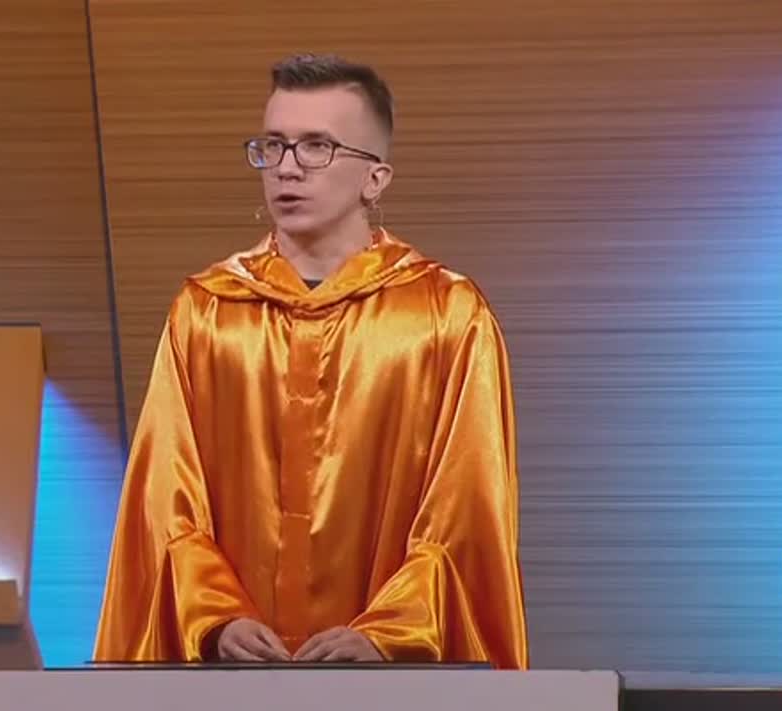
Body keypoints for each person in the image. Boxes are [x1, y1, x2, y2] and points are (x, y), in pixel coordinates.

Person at [93, 53, 527, 668]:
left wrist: (388, 632)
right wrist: (216, 616)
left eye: (317, 147)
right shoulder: (208, 312)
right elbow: (164, 502)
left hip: (391, 684)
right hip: (233, 679)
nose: (287, 167)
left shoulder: (445, 317)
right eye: (273, 146)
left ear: (375, 178)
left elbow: (466, 513)